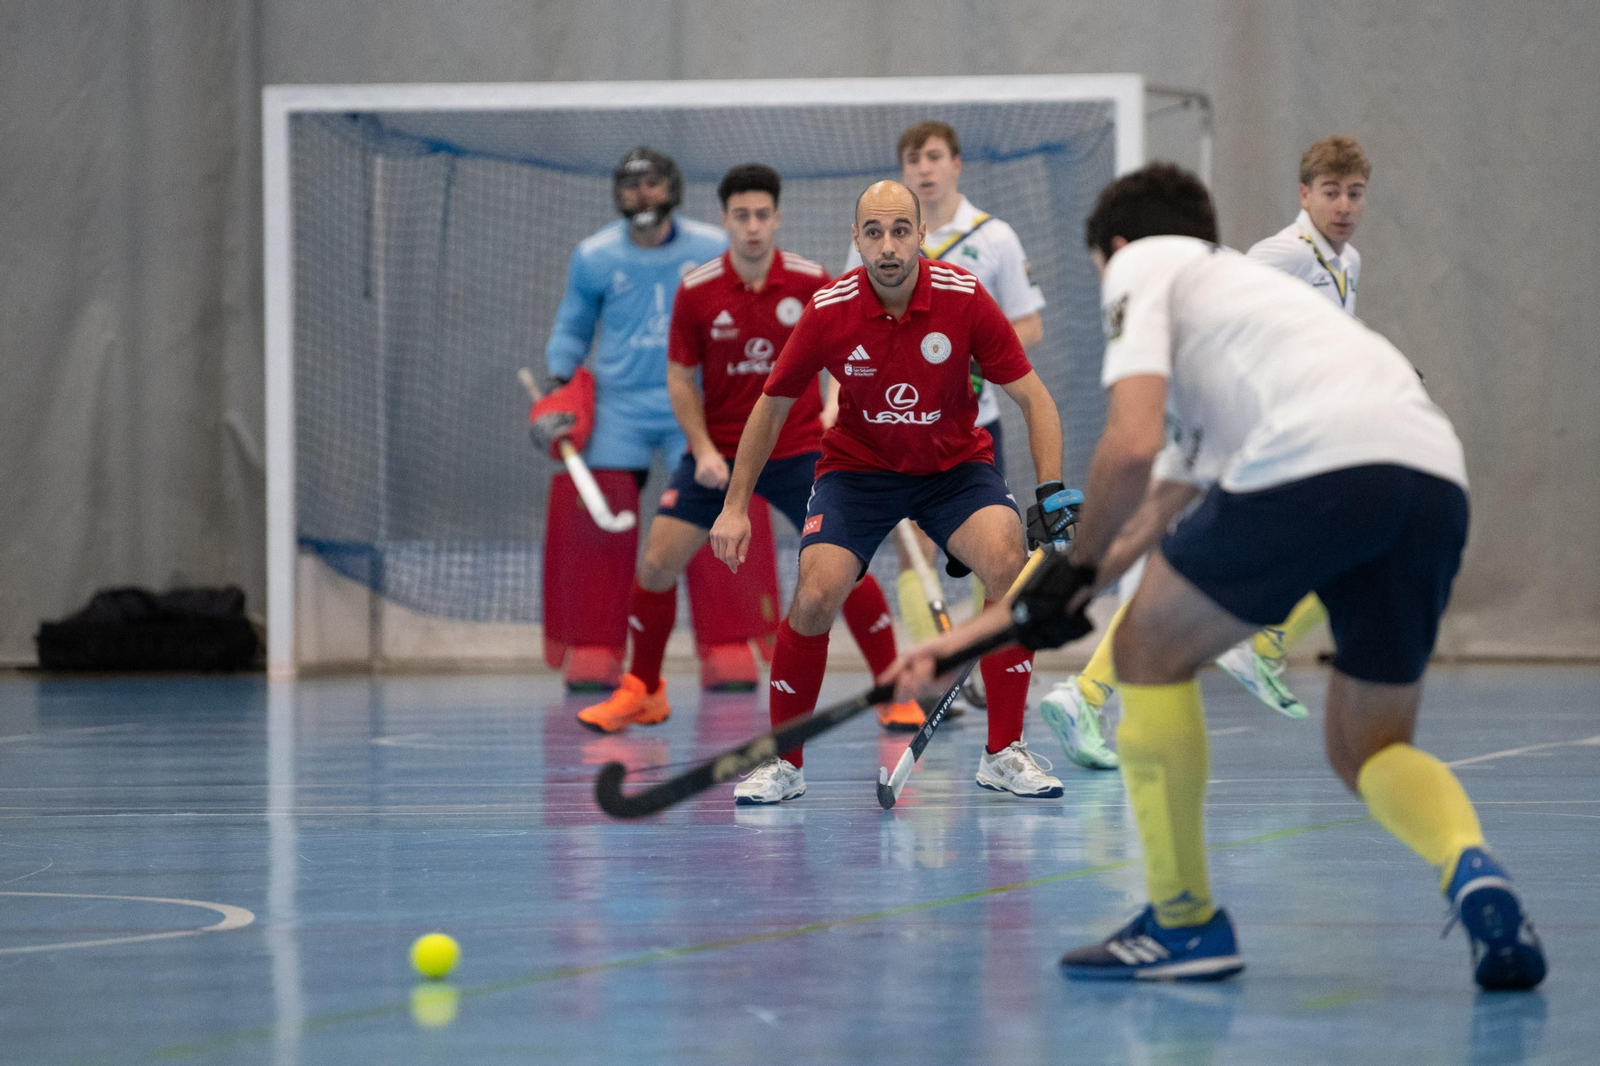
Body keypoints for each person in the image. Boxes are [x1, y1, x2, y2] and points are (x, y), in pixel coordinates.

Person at [891, 163, 1545, 990]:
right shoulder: (1245, 319)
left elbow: (1126, 447)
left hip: (1318, 462)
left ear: (1115, 246)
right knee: (1372, 748)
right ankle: (1472, 867)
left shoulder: (1143, 261)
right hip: (1431, 477)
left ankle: (1184, 918)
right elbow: (1159, 498)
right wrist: (1001, 623)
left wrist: (1076, 573)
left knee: (1148, 650)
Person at [709, 180, 1073, 806]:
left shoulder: (964, 298)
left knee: (1008, 565)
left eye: (900, 230)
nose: (888, 245)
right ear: (856, 239)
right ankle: (783, 763)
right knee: (818, 593)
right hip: (858, 472)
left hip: (953, 470)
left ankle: (1003, 751)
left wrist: (1050, 490)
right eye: (873, 232)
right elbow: (770, 408)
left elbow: (1034, 398)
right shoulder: (829, 309)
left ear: (920, 234)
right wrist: (735, 505)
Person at [1040, 136, 1375, 770]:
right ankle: (1098, 689)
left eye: (1354, 193)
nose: (1343, 205)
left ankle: (1091, 690)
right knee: (1188, 567)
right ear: (1304, 195)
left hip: (1274, 431)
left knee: (1201, 566)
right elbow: (1221, 309)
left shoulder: (1348, 262)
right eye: (1331, 192)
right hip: (1233, 428)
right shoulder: (1277, 254)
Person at [575, 163, 917, 734]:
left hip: (803, 450)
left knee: (844, 570)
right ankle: (644, 689)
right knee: (657, 564)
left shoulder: (814, 282)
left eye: (763, 215)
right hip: (721, 457)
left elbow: (849, 355)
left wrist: (835, 405)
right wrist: (702, 449)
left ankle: (892, 688)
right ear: (724, 220)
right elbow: (681, 378)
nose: (753, 227)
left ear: (778, 219)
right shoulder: (696, 288)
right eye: (742, 216)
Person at [834, 122, 1048, 715]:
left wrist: (973, 347)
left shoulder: (994, 237)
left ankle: (979, 667)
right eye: (912, 159)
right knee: (916, 555)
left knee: (997, 555)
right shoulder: (877, 240)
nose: (923, 169)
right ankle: (936, 677)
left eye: (933, 157)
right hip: (894, 428)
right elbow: (844, 323)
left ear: (956, 165)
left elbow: (1029, 324)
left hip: (973, 425)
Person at [532, 148, 743, 691]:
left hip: (692, 406)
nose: (642, 195)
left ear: (671, 187)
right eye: (631, 186)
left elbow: (742, 319)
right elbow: (572, 328)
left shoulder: (714, 248)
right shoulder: (594, 255)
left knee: (713, 514)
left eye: (652, 184)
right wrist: (558, 385)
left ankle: (727, 643)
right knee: (601, 521)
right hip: (619, 405)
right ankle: (596, 646)